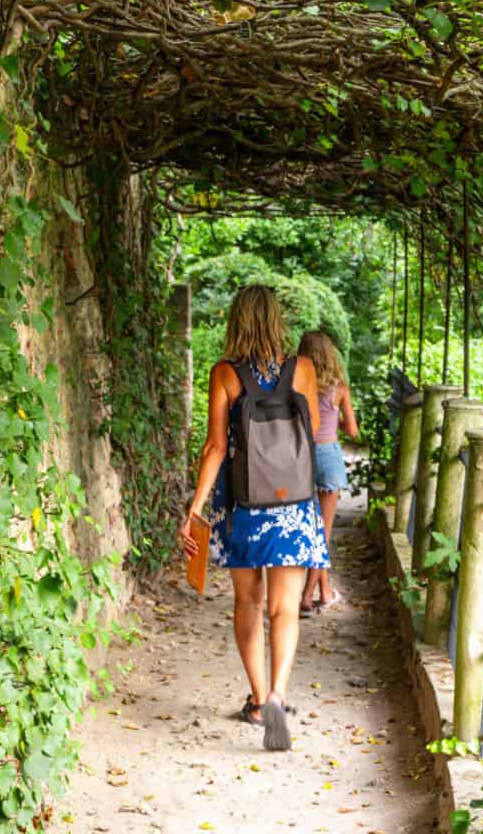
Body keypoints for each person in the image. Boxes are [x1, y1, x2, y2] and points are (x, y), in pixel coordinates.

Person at [178, 285, 329, 751]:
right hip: (295, 506)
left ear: (236, 321)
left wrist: (196, 508)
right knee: (285, 608)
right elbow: (316, 432)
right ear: (276, 320)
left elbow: (216, 447)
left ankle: (260, 700)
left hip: (245, 506)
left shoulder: (224, 373)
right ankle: (281, 694)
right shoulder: (302, 369)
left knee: (249, 603)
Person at [296, 330, 358, 617]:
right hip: (329, 456)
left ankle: (324, 590)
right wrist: (339, 419)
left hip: (302, 456)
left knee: (311, 528)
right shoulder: (340, 388)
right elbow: (353, 431)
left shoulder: (296, 385)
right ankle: (308, 597)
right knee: (324, 531)